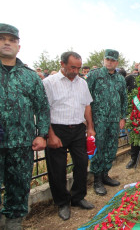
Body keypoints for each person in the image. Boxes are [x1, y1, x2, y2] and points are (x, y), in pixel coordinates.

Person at [0, 23, 50, 229]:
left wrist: (42, 134)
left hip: (22, 144)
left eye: (12, 40)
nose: (7, 43)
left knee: (19, 187)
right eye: (2, 38)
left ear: (18, 46)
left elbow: (43, 107)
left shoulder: (29, 76)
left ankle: (13, 222)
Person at [43, 51, 95, 221]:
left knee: (81, 163)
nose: (76, 71)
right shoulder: (49, 83)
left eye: (79, 68)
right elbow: (44, 111)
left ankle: (77, 197)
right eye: (72, 67)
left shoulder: (82, 83)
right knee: (57, 169)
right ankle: (63, 202)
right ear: (62, 64)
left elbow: (87, 106)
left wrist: (90, 128)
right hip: (57, 129)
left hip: (78, 129)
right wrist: (50, 135)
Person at [86, 49, 128, 196]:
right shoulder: (94, 75)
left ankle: (105, 174)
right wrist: (89, 122)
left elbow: (124, 98)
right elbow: (86, 99)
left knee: (111, 147)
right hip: (99, 120)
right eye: (107, 59)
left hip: (114, 120)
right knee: (99, 147)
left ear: (116, 62)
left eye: (113, 60)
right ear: (104, 60)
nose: (109, 62)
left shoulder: (120, 79)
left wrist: (123, 117)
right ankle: (97, 180)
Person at [125, 61, 140, 169]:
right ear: (137, 67)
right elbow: (123, 91)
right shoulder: (130, 78)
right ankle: (133, 158)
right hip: (134, 112)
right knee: (135, 136)